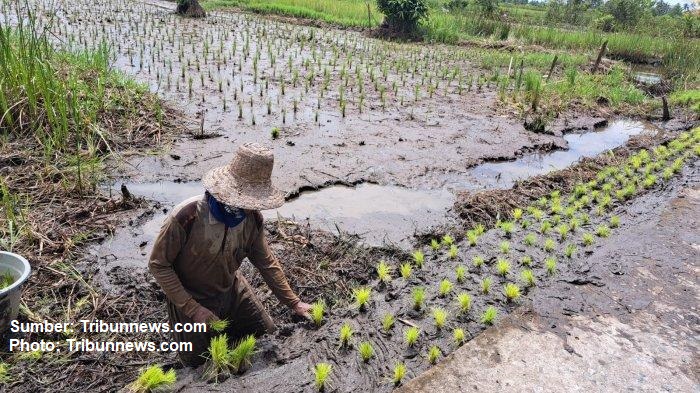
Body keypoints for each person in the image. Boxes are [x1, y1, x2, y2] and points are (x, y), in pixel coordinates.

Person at [148, 142, 311, 366]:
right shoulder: (186, 217)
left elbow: (266, 263)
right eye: (247, 200)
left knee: (268, 337)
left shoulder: (252, 220)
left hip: (232, 291)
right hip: (190, 297)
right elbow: (159, 265)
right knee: (199, 365)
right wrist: (193, 310)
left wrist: (294, 303)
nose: (250, 207)